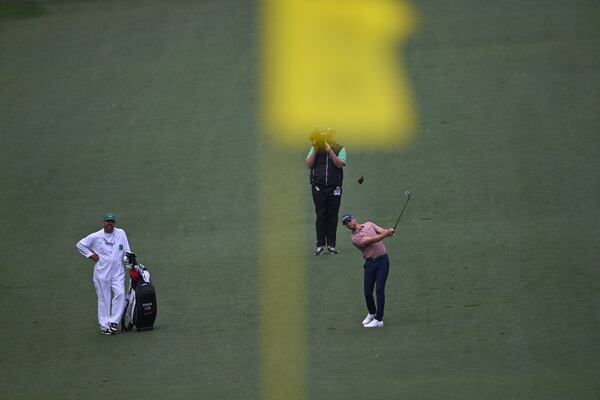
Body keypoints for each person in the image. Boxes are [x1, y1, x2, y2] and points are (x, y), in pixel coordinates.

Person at [76, 213, 131, 335]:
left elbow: (127, 251)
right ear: (103, 223)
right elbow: (80, 244)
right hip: (102, 273)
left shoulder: (121, 233)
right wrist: (91, 255)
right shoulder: (96, 236)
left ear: (114, 223)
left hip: (118, 272)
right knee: (104, 298)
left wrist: (130, 265)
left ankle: (113, 322)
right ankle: (104, 325)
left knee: (120, 293)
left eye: (112, 221)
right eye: (107, 221)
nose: (109, 223)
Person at [341, 213, 395, 328]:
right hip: (370, 264)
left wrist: (389, 231)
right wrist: (386, 234)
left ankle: (379, 320)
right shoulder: (354, 239)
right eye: (346, 224)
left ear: (355, 219)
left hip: (383, 262)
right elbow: (371, 240)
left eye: (349, 221)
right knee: (367, 292)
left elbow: (381, 231)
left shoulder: (369, 224)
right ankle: (372, 313)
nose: (349, 224)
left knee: (380, 290)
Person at [305, 127, 347, 255]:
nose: (328, 138)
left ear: (334, 136)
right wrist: (316, 150)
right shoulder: (315, 148)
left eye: (330, 136)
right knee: (321, 215)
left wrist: (330, 152)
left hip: (335, 187)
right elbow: (308, 164)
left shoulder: (340, 148)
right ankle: (319, 245)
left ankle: (331, 245)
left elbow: (339, 164)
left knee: (332, 216)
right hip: (318, 187)